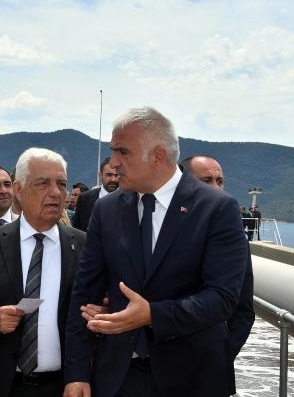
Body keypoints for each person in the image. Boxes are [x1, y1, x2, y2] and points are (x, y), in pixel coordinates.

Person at [64, 108, 248, 397]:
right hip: (119, 378)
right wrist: (76, 374)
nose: (114, 162)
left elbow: (223, 298)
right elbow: (84, 294)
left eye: (123, 152)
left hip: (192, 377)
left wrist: (152, 315)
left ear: (158, 156)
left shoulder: (217, 208)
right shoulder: (106, 209)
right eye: (113, 151)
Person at [0, 147, 86, 397]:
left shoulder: (83, 245)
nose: (55, 192)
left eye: (61, 184)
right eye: (43, 183)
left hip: (63, 386)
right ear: (19, 189)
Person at [181, 154, 255, 396]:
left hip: (211, 370)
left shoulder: (236, 238)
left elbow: (243, 309)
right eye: (206, 181)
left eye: (219, 181)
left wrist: (220, 355)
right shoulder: (159, 230)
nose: (216, 188)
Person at [71, 158, 119, 231]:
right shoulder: (85, 199)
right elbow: (76, 230)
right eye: (109, 175)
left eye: (116, 175)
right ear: (100, 175)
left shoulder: (130, 200)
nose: (113, 179)